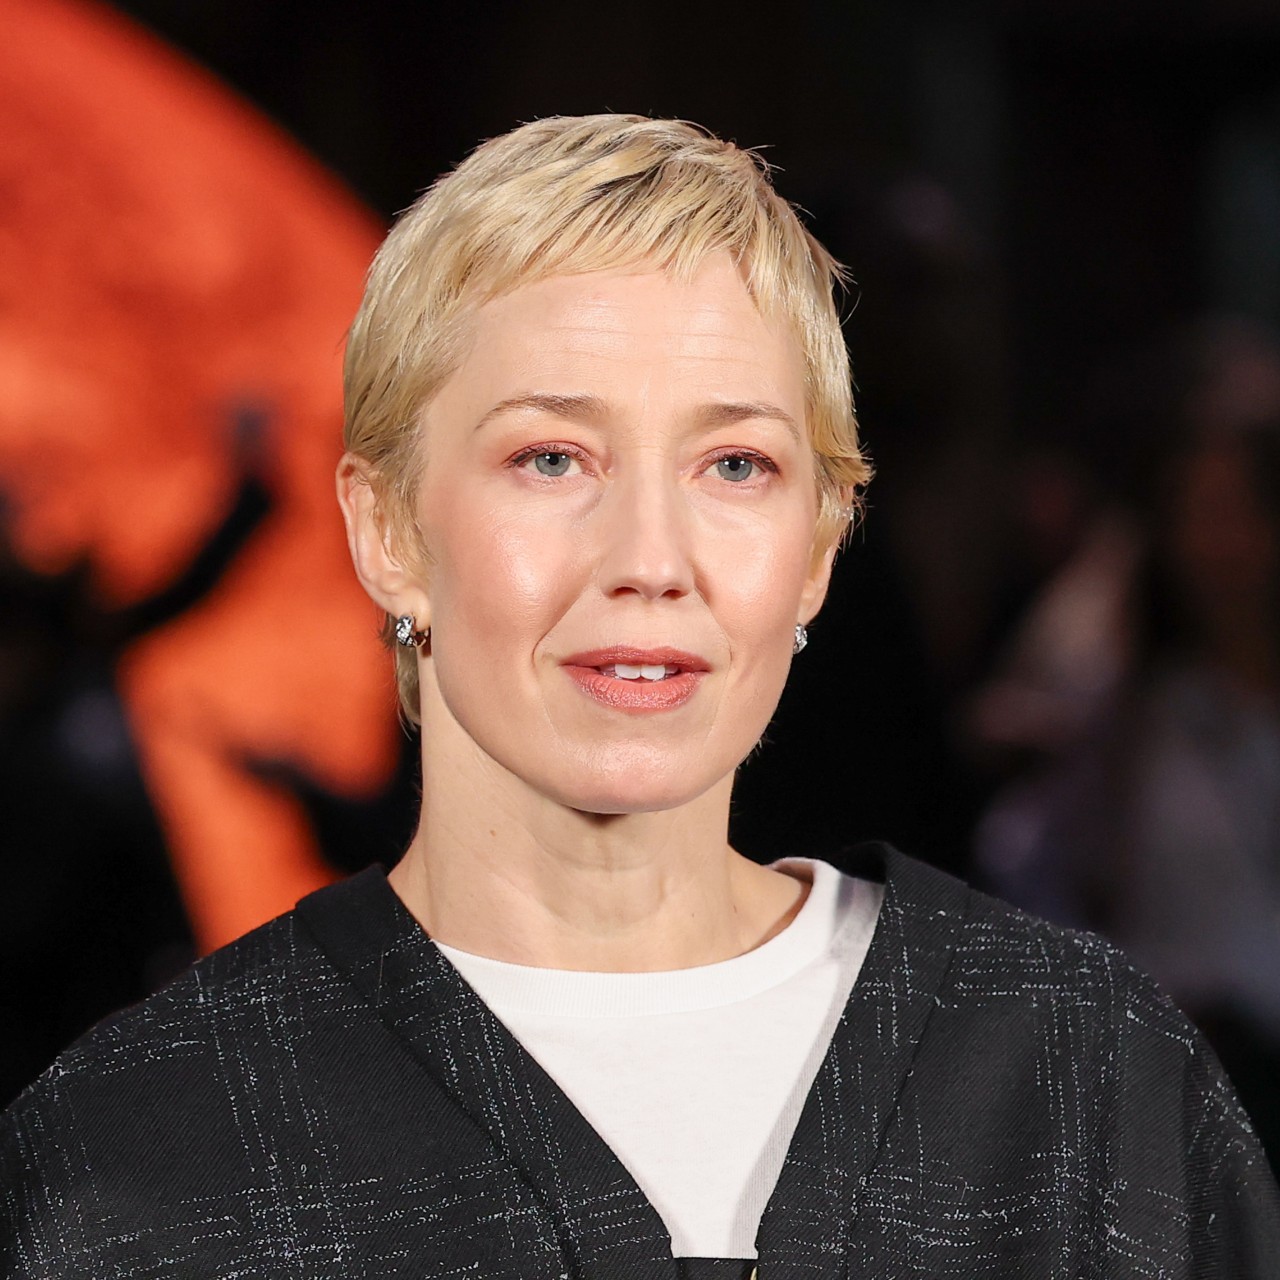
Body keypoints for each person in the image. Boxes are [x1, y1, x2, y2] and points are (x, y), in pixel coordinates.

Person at [3, 115, 1278, 1279]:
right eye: (550, 457)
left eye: (734, 464)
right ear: (386, 530)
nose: (650, 559)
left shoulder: (1088, 1091)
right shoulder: (141, 1154)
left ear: (818, 544)